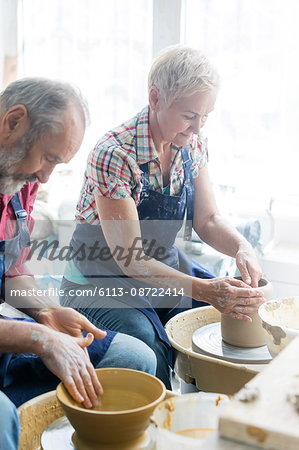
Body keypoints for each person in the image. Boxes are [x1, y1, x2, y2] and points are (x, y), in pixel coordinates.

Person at [60, 45, 265, 390]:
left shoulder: (192, 144)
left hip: (160, 268)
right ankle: (162, 428)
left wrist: (242, 247)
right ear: (155, 98)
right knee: (149, 346)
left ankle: (206, 412)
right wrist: (205, 289)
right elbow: (132, 260)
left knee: (221, 318)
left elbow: (209, 220)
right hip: (99, 280)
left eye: (206, 116)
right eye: (189, 115)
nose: (198, 128)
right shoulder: (115, 153)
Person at [0, 78, 156, 450]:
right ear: (13, 121)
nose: (45, 176)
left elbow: (12, 272)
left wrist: (47, 313)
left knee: (135, 357)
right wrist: (40, 339)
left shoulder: (20, 178)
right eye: (48, 157)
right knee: (3, 418)